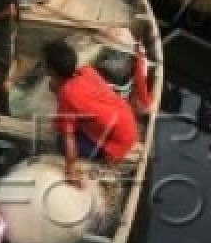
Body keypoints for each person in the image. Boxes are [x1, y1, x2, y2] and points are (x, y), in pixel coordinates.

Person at [43, 39, 139, 186]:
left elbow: (68, 138)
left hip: (116, 144)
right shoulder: (87, 71)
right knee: (65, 110)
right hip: (128, 124)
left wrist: (71, 167)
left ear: (51, 71)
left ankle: (101, 159)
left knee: (60, 141)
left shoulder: (67, 95)